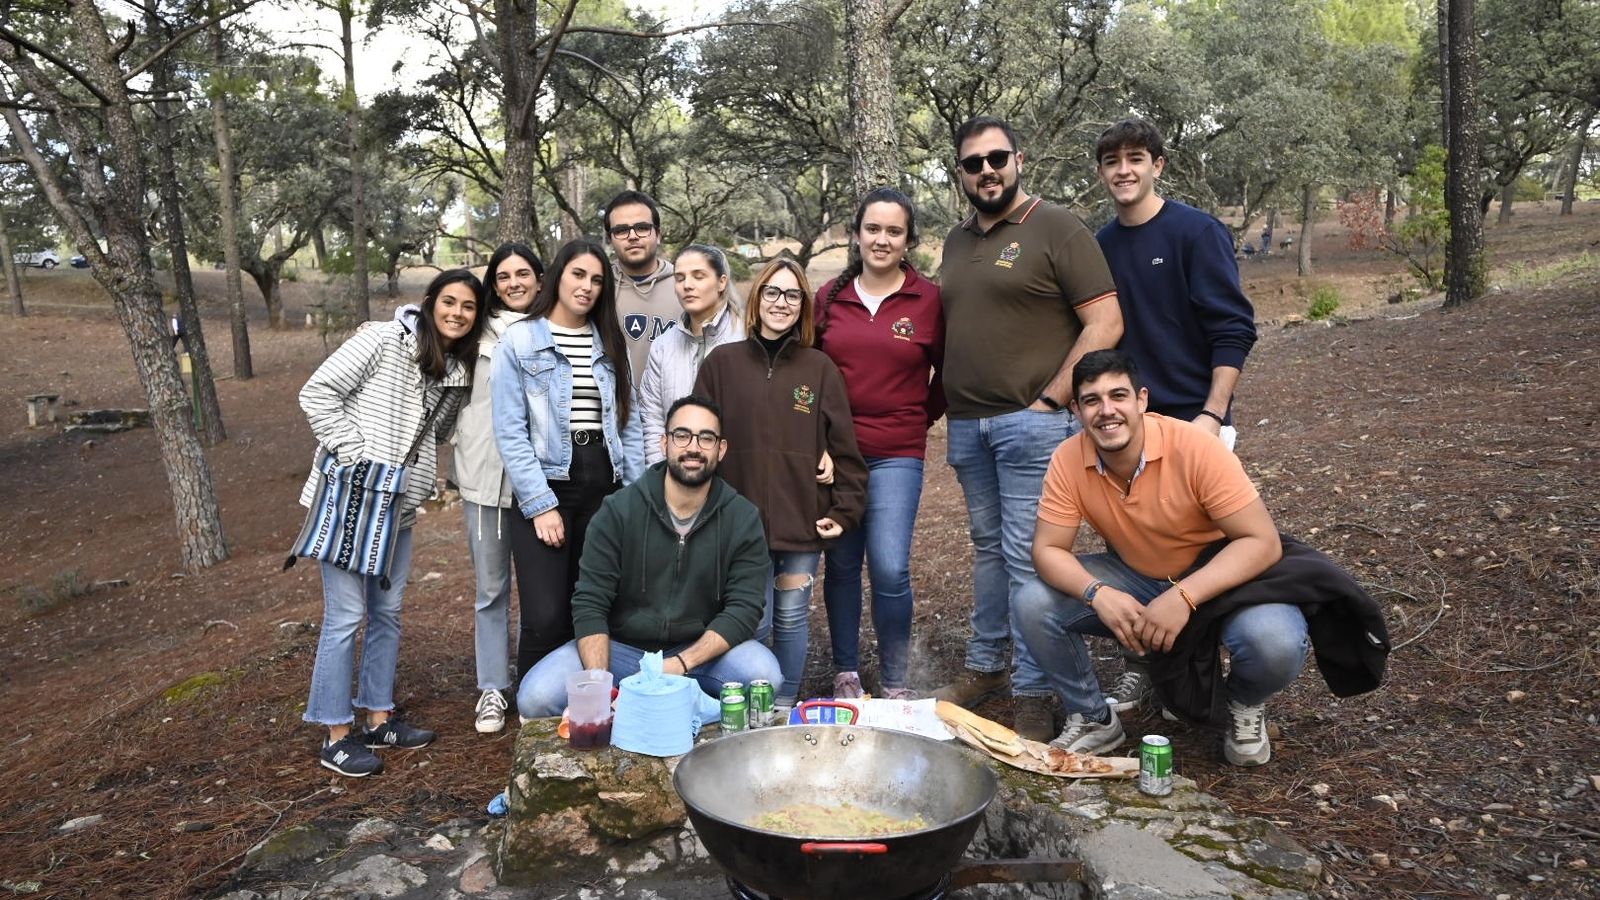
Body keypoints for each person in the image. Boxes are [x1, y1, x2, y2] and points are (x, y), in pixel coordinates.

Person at [1015, 350, 1388, 766]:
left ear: (1141, 399)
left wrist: (1184, 596)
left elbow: (1261, 541)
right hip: (1137, 577)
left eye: (1118, 395)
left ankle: (1242, 704)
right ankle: (1094, 718)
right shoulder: (1069, 459)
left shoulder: (1193, 447)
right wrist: (1097, 593)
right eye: (1092, 400)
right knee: (1033, 600)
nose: (1107, 411)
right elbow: (1047, 550)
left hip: (1218, 576)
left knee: (1275, 642)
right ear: (1076, 410)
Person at [932, 114, 1123, 741]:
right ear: (959, 173)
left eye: (997, 158)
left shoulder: (1056, 226)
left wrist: (1052, 398)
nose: (986, 170)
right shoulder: (957, 241)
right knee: (989, 550)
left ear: (1019, 160)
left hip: (1030, 425)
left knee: (1026, 556)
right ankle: (988, 666)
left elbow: (1105, 322)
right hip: (969, 426)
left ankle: (1035, 690)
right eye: (972, 163)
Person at [1093, 117, 1259, 714]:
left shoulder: (1196, 232)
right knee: (1135, 555)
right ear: (1102, 172)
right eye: (1112, 161)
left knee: (1208, 558)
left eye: (1136, 158)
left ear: (1158, 165)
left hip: (1194, 421)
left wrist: (1212, 416)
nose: (1124, 170)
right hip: (1125, 430)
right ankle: (1150, 663)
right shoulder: (1101, 246)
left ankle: (1227, 683)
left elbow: (1234, 328)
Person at [298, 269, 483, 777]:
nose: (457, 314)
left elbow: (439, 432)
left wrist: (415, 478)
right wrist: (358, 455)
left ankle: (378, 717)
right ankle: (336, 733)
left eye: (468, 307)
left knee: (388, 611)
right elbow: (316, 393)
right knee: (345, 615)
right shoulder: (381, 340)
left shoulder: (454, 371)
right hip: (350, 500)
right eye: (449, 302)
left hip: (397, 510)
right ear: (429, 302)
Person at [516, 395, 784, 716]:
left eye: (706, 438)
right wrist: (600, 684)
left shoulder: (742, 518)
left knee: (763, 675)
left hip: (698, 652)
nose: (693, 447)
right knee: (536, 696)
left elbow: (744, 609)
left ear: (721, 449)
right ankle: (651, 702)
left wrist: (679, 664)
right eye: (682, 435)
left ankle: (682, 700)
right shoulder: (618, 511)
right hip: (620, 650)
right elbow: (590, 603)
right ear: (664, 443)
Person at [694, 258, 867, 710]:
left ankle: (785, 705)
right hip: (737, 525)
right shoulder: (721, 364)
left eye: (792, 295)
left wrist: (843, 510)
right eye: (772, 292)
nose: (781, 303)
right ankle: (750, 704)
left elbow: (844, 447)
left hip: (800, 521)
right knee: (753, 618)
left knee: (791, 618)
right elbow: (700, 439)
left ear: (803, 306)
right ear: (756, 299)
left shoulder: (819, 369)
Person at [492, 239, 646, 685]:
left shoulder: (610, 340)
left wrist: (633, 496)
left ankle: (592, 698)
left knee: (596, 598)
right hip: (549, 481)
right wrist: (540, 504)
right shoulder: (519, 340)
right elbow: (510, 429)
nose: (587, 287)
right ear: (558, 276)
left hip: (605, 482)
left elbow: (628, 424)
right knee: (545, 610)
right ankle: (536, 710)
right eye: (579, 275)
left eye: (597, 280)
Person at [814, 188, 945, 701]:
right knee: (842, 563)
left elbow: (946, 376)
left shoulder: (929, 300)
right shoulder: (828, 297)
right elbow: (810, 377)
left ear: (908, 239)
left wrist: (914, 418)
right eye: (873, 229)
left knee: (889, 565)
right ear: (857, 234)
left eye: (894, 231)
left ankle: (895, 681)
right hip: (836, 457)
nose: (882, 239)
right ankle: (846, 671)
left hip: (897, 453)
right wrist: (816, 440)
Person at [450, 242, 544, 734]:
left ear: (539, 278)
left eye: (522, 273)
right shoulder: (475, 332)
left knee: (542, 589)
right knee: (491, 589)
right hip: (485, 481)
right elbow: (428, 327)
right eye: (504, 276)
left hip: (544, 486)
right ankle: (492, 687)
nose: (513, 283)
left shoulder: (555, 326)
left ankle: (538, 682)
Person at [639, 244, 744, 465]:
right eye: (679, 278)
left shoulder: (746, 337)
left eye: (699, 276)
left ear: (721, 282)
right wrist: (658, 475)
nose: (687, 285)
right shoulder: (662, 346)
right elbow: (653, 420)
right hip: (678, 476)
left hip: (738, 474)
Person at [604, 190, 677, 389]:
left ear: (658, 234)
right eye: (621, 230)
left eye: (642, 227)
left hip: (674, 413)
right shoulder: (597, 288)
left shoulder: (684, 286)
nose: (633, 236)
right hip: (613, 414)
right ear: (610, 239)